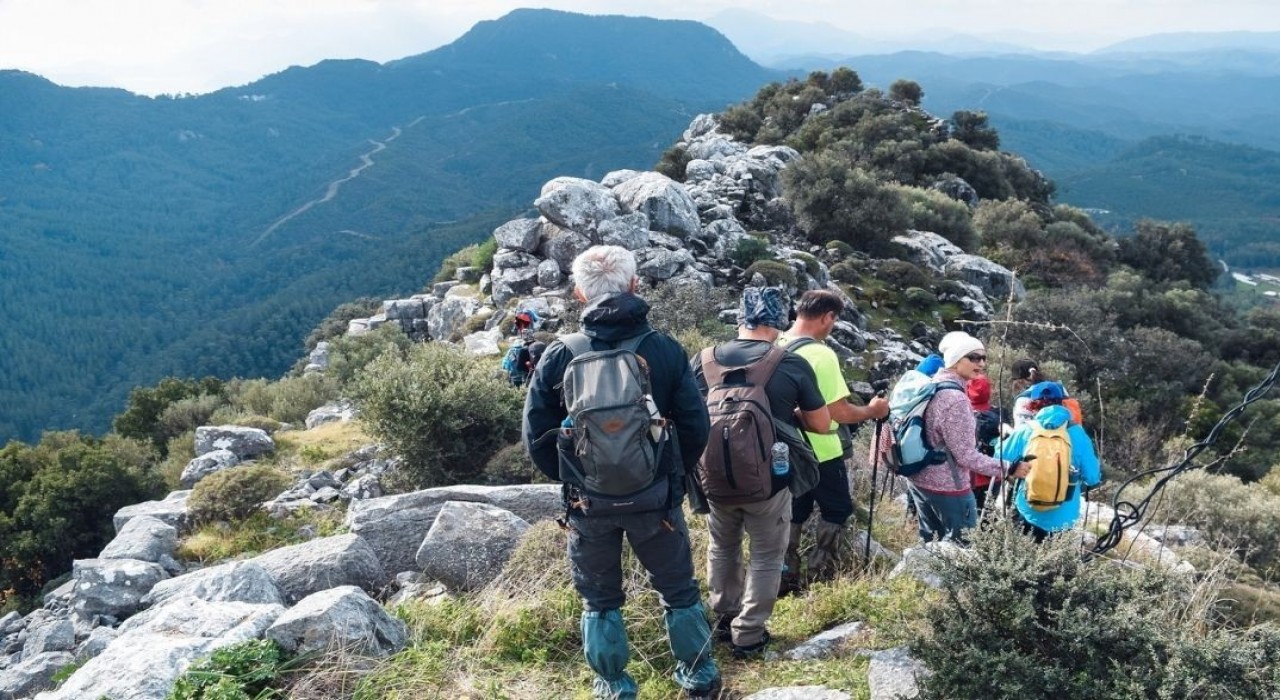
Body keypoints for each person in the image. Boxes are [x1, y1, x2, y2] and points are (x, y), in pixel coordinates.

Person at [523, 246, 720, 700]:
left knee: (599, 598)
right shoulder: (664, 349)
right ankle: (699, 678)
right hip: (656, 499)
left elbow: (537, 438)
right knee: (678, 589)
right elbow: (695, 426)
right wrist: (666, 473)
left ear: (579, 294)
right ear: (634, 286)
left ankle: (614, 686)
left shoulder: (560, 354)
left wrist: (579, 477)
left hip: (588, 504)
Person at [690, 287, 830, 659]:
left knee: (722, 546)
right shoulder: (789, 363)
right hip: (769, 480)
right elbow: (821, 424)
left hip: (713, 479)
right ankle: (749, 635)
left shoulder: (702, 361)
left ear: (740, 318)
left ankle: (723, 618)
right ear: (779, 320)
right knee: (767, 554)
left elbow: (686, 418)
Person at [777, 289, 890, 587]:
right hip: (821, 450)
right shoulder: (820, 354)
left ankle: (785, 574)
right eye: (834, 321)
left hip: (783, 448)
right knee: (837, 508)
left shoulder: (774, 342)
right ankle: (820, 574)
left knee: (794, 510)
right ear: (827, 317)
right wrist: (872, 410)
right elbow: (838, 412)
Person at [899, 332, 1030, 544]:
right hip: (948, 486)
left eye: (983, 358)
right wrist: (1010, 468)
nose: (981, 363)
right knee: (962, 548)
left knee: (930, 542)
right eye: (973, 357)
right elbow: (966, 456)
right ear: (955, 360)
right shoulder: (956, 400)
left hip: (919, 479)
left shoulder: (934, 384)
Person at [998, 381, 1102, 542]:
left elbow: (998, 457)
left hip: (1028, 510)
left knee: (1022, 558)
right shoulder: (1078, 434)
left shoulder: (1026, 430)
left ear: (1033, 405)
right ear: (1063, 403)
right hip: (1064, 515)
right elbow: (1093, 477)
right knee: (1052, 562)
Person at [966, 375, 1004, 513]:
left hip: (970, 476)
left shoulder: (963, 413)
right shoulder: (998, 414)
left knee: (969, 516)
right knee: (987, 514)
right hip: (993, 474)